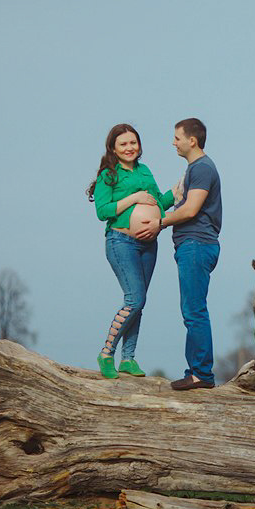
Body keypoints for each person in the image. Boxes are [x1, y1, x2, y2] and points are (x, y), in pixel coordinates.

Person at [88, 123, 174, 379]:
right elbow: (102, 211)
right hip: (121, 241)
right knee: (134, 299)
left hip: (148, 244)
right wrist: (134, 198)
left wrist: (177, 191)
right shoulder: (108, 175)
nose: (129, 148)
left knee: (139, 303)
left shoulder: (144, 171)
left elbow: (159, 202)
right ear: (113, 148)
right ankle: (106, 353)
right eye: (123, 144)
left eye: (133, 143)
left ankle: (128, 358)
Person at [158, 117, 222, 390]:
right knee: (191, 309)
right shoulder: (194, 169)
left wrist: (159, 222)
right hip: (191, 245)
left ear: (192, 140)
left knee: (194, 310)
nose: (173, 143)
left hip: (196, 244)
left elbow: (190, 209)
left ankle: (201, 374)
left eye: (177, 138)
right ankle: (195, 371)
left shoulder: (203, 168)